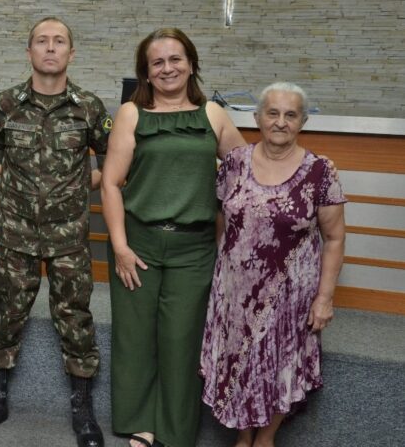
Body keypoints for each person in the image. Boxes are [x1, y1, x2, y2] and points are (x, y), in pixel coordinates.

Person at [0, 17, 113, 447]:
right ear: (28, 51)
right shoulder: (7, 103)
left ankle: (82, 410)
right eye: (42, 41)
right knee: (5, 316)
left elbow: (112, 161)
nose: (50, 48)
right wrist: (17, 185)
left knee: (76, 319)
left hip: (69, 235)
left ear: (71, 52)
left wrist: (74, 187)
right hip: (15, 234)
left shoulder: (89, 106)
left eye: (59, 41)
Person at [100, 27, 245, 447]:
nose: (168, 68)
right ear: (145, 72)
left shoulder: (213, 115)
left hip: (194, 248)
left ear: (191, 63)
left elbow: (244, 171)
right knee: (135, 337)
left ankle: (177, 431)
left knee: (182, 340)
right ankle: (139, 422)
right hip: (138, 243)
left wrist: (297, 163)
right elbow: (111, 183)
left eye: (175, 59)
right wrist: (120, 247)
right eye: (157, 62)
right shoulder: (131, 114)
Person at [200, 82, 346, 447]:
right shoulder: (233, 163)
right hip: (236, 293)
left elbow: (334, 238)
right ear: (257, 118)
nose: (280, 122)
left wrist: (324, 298)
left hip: (289, 298)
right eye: (273, 113)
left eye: (290, 115)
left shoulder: (320, 172)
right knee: (239, 360)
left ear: (303, 122)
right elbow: (221, 215)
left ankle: (266, 437)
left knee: (279, 365)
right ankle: (242, 434)